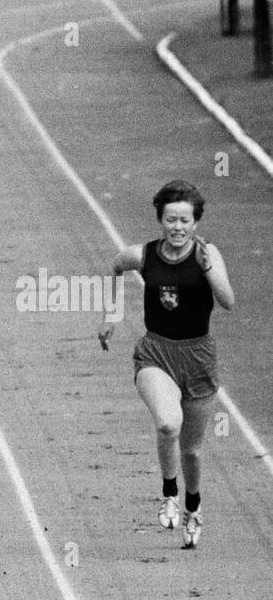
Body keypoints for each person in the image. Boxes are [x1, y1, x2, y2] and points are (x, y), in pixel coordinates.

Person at [99, 180, 234, 549]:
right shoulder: (143, 255)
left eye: (185, 221)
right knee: (166, 423)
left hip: (198, 357)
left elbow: (227, 301)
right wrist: (112, 314)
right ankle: (169, 493)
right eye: (171, 220)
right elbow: (115, 265)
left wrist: (209, 269)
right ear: (161, 220)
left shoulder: (209, 254)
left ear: (196, 224)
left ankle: (193, 505)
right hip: (156, 352)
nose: (177, 227)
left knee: (191, 450)